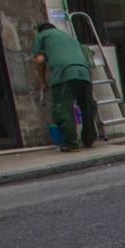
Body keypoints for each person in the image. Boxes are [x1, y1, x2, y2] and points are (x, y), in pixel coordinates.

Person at [32, 22, 96, 152]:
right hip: (84, 73)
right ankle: (89, 139)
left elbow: (39, 60)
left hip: (63, 74)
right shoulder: (69, 37)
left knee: (63, 109)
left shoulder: (42, 36)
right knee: (87, 107)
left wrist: (43, 81)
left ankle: (71, 143)